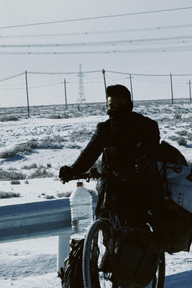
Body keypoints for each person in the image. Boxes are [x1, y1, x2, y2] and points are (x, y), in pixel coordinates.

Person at [58, 84, 162, 227]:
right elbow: (89, 153)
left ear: (129, 105)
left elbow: (152, 152)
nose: (115, 109)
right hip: (111, 185)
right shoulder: (105, 129)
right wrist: (72, 170)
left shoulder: (146, 126)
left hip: (139, 185)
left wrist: (144, 163)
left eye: (120, 104)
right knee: (105, 216)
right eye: (111, 105)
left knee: (137, 225)